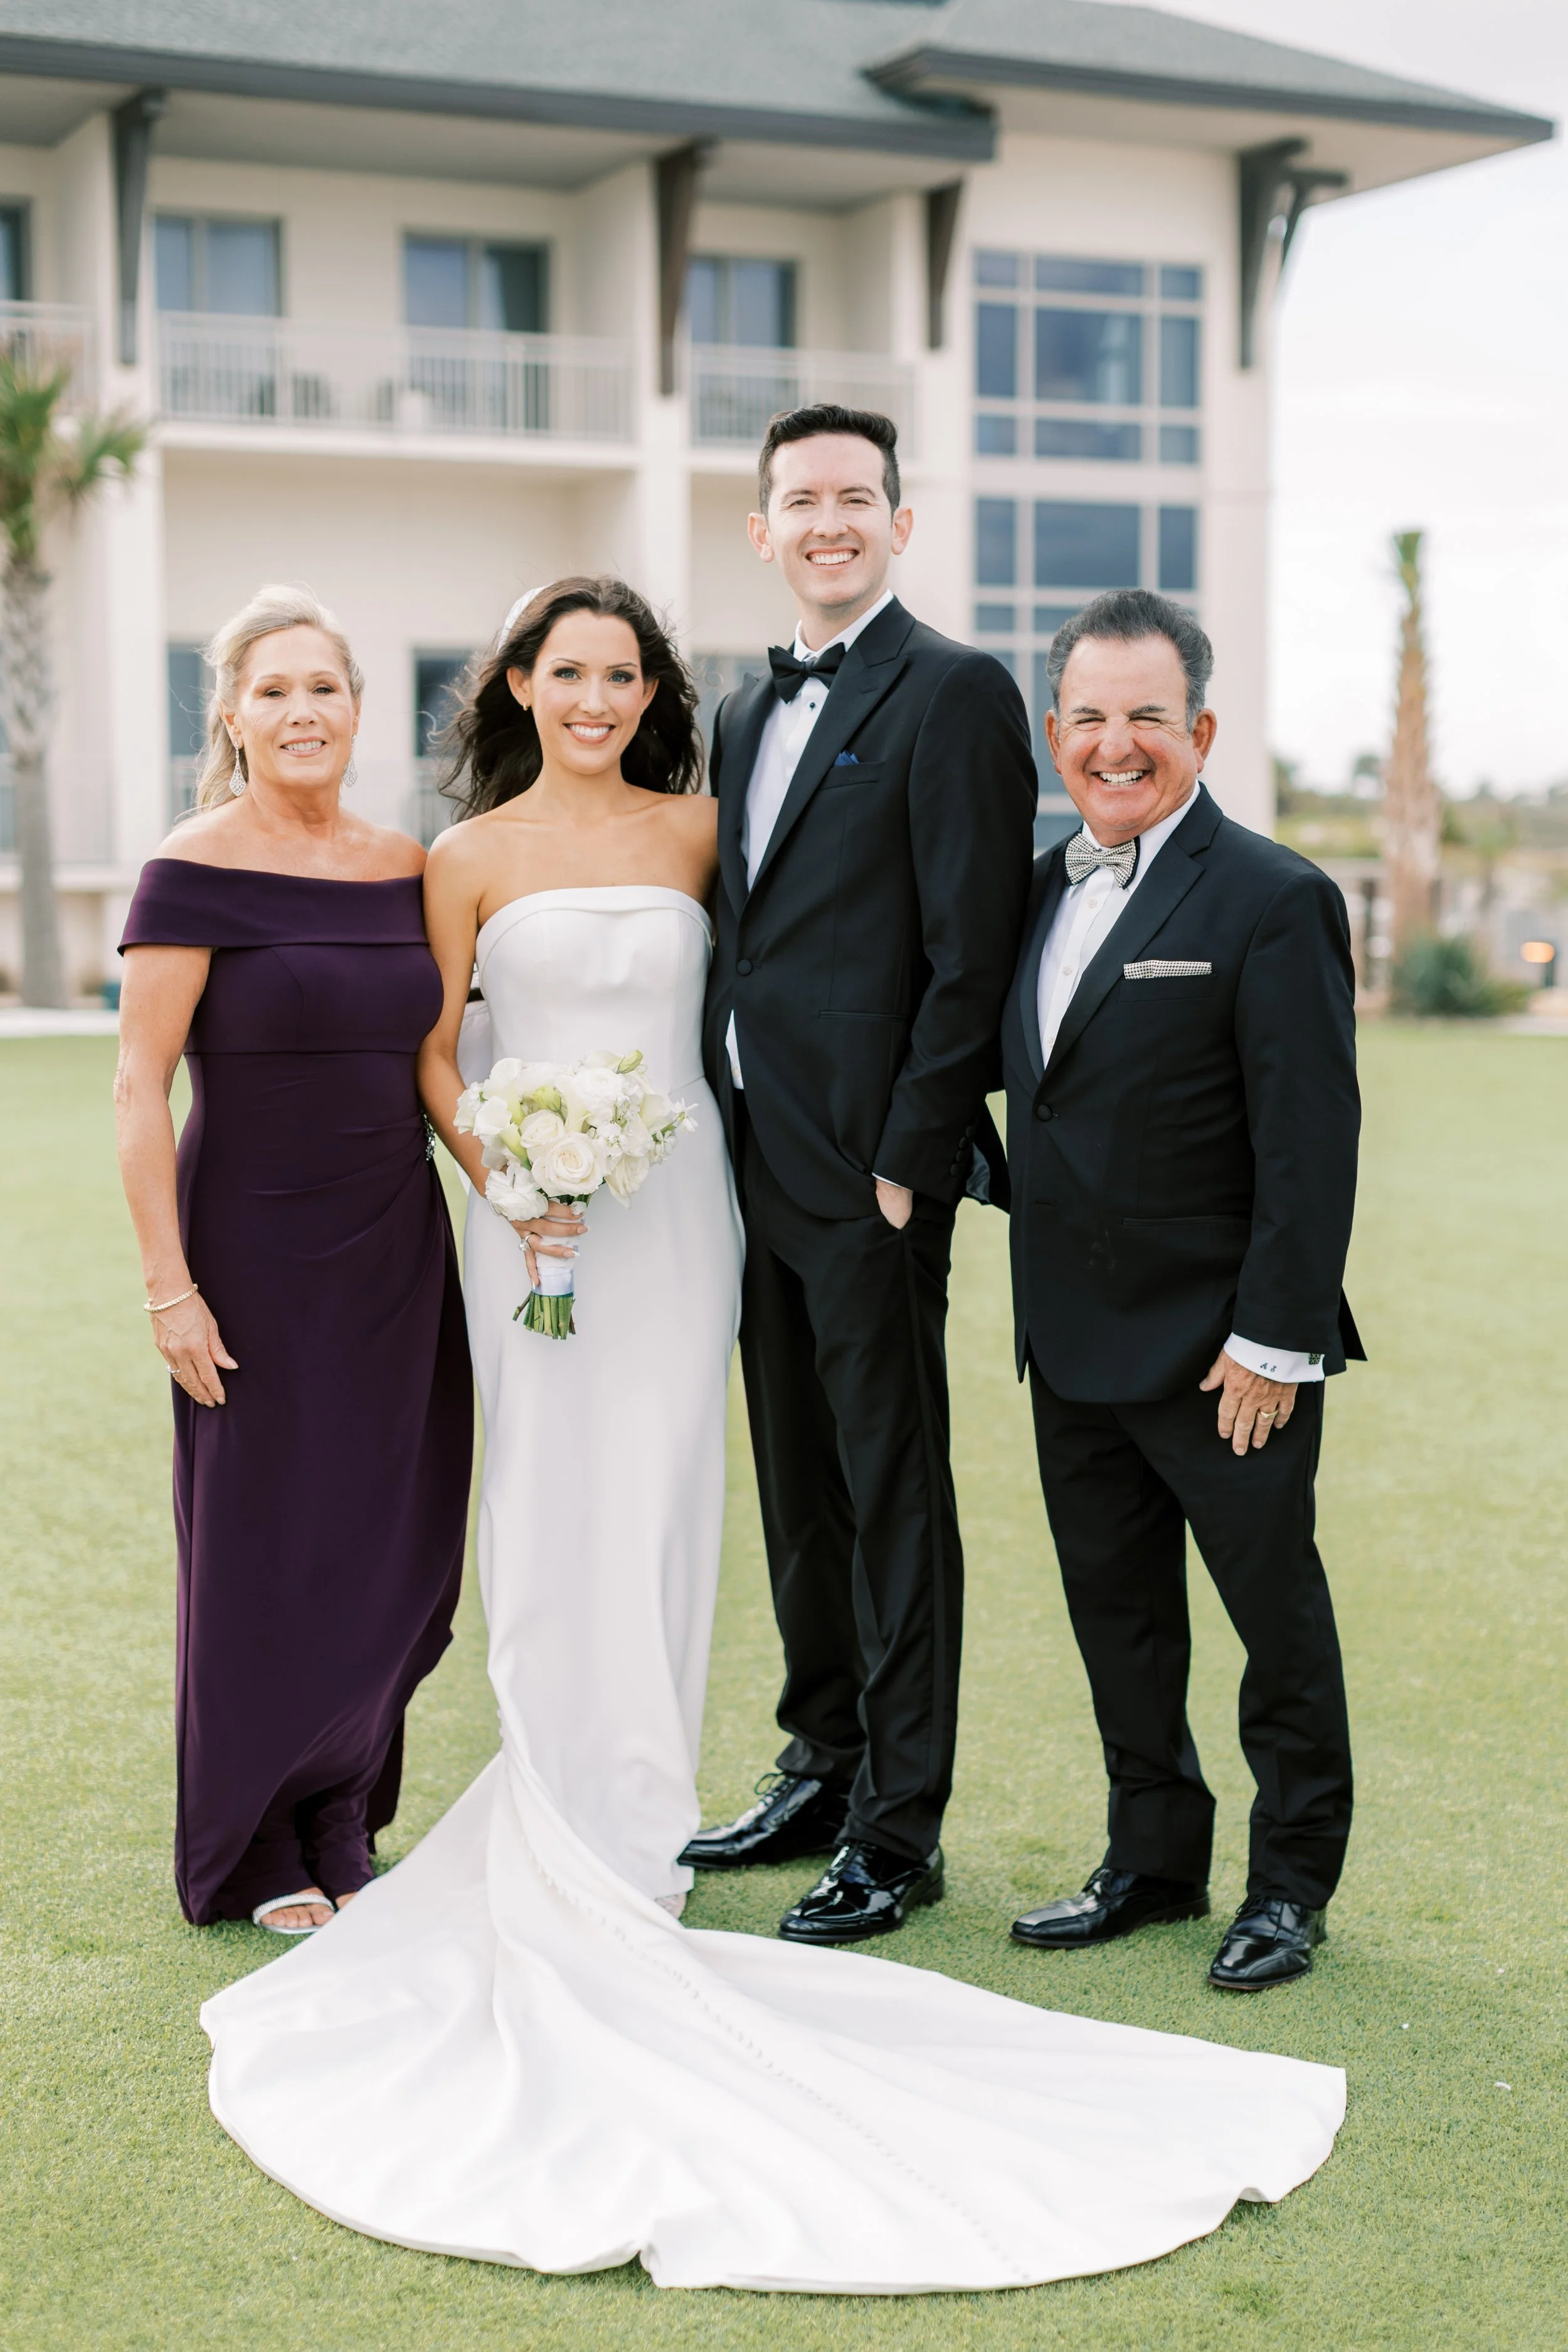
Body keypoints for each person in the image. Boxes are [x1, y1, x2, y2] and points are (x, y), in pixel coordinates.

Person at [197, 576, 1345, 2294]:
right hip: (542, 1236)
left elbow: (839, 973)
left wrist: (891, 1153)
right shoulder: (463, 851)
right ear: (519, 682)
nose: (594, 694)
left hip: (688, 1229)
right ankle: (587, 1794)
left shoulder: (697, 825)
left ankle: (693, 1803)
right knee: (544, 1508)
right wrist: (512, 1176)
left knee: (679, 1501)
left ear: (651, 687)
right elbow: (441, 1046)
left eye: (620, 669)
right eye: (565, 668)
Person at [684, 404, 1038, 1944]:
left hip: (870, 1171)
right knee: (794, 1475)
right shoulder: (739, 713)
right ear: (759, 530)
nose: (826, 521)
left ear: (900, 520)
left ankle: (898, 1829)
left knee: (891, 1487)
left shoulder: (956, 691)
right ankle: (818, 1759)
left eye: (854, 497)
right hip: (748, 1152)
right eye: (797, 500)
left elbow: (972, 951)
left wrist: (910, 1163)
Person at [1001, 588, 1362, 1992]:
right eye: (1088, 717)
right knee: (1121, 1620)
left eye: (1146, 716)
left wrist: (1273, 1341)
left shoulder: (1272, 897)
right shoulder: (1034, 889)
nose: (1115, 743)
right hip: (1072, 1347)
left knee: (1274, 1623)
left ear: (1198, 729)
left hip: (1226, 1355)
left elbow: (1308, 1142)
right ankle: (1150, 1861)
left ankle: (1288, 1889)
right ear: (1054, 734)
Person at [114, 585, 471, 1933]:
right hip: (249, 1252)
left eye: (324, 687)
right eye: (273, 691)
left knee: (395, 1542)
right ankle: (254, 1841)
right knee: (264, 1545)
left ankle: (343, 1811)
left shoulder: (403, 865)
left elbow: (437, 1063)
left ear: (358, 710)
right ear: (232, 714)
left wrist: (516, 1190)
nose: (301, 710)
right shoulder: (189, 869)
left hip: (396, 1250)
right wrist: (169, 1285)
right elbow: (138, 1087)